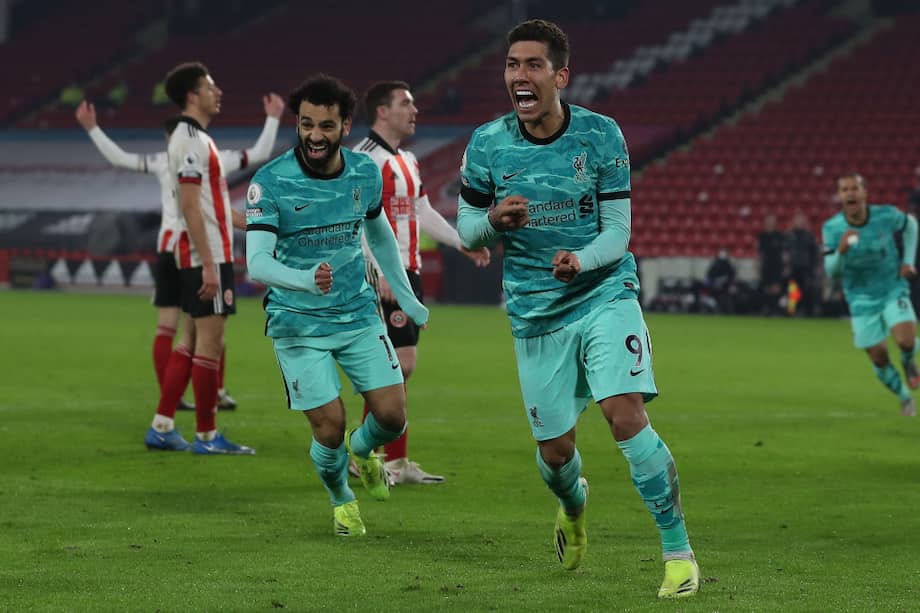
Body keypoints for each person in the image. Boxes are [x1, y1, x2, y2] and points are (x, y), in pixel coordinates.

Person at [456, 19, 698, 599]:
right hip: (536, 314)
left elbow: (618, 230)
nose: (520, 75)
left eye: (533, 65)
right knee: (556, 454)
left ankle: (678, 554)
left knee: (625, 413)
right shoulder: (487, 144)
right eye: (512, 64)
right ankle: (573, 503)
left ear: (560, 76)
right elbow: (466, 230)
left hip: (603, 292)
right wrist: (492, 221)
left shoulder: (600, 135)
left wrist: (582, 261)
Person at [245, 75, 428, 536]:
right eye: (306, 124)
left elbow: (380, 235)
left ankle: (362, 450)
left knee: (392, 416)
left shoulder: (364, 172)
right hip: (296, 322)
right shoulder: (271, 182)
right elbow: (257, 262)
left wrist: (406, 296)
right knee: (329, 426)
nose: (314, 135)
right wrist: (304, 280)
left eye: (326, 126)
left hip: (357, 314)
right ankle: (342, 498)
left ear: (345, 125)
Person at [75, 93, 284, 412]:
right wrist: (272, 118)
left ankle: (170, 404)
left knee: (171, 330)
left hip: (168, 247)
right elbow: (260, 153)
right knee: (209, 329)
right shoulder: (212, 155)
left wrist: (92, 129)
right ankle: (210, 400)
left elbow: (120, 159)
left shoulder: (162, 161)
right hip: (200, 249)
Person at [351, 81, 490, 485]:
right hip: (383, 274)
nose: (414, 110)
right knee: (395, 365)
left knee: (399, 368)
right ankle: (362, 453)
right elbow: (358, 219)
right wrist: (380, 271)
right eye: (405, 103)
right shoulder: (365, 159)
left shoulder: (407, 159)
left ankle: (395, 462)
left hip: (408, 271)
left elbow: (422, 211)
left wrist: (461, 243)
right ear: (382, 111)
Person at [143, 61, 254, 454]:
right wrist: (209, 264)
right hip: (205, 255)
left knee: (190, 340)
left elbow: (214, 205)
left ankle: (162, 426)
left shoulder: (196, 139)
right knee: (211, 341)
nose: (217, 92)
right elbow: (190, 206)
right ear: (192, 96)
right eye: (210, 86)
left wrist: (256, 224)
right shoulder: (191, 141)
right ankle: (207, 435)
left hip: (200, 252)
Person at [822, 173, 919, 416]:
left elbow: (911, 225)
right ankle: (904, 397)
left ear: (864, 193)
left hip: (892, 288)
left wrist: (908, 260)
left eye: (854, 188)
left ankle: (908, 361)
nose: (850, 193)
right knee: (879, 357)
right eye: (844, 190)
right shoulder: (832, 228)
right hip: (861, 299)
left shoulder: (885, 215)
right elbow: (832, 272)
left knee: (906, 341)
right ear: (840, 196)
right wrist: (841, 251)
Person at [787, 210, 820, 316]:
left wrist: (815, 267)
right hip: (793, 269)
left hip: (806, 269)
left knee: (806, 291)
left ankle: (806, 311)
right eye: (797, 220)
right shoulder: (789, 236)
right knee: (794, 292)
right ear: (794, 221)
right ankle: (792, 311)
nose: (799, 222)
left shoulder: (809, 236)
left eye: (801, 220)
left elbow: (815, 254)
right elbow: (786, 253)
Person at [757, 213, 786, 315]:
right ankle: (767, 309)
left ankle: (775, 309)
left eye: (772, 221)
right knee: (766, 288)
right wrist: (758, 266)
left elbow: (784, 253)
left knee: (776, 288)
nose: (770, 223)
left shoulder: (779, 236)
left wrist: (784, 266)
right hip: (766, 266)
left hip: (777, 266)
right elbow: (760, 253)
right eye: (768, 221)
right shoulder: (762, 236)